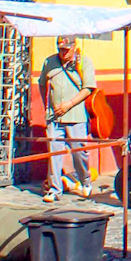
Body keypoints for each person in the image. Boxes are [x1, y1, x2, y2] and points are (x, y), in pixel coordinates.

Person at [38, 35, 96, 202]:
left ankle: (85, 180)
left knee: (79, 152)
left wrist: (69, 104)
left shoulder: (83, 62)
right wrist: (46, 105)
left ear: (73, 46)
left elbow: (88, 89)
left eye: (66, 49)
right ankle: (55, 189)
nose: (63, 52)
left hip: (75, 115)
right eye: (60, 49)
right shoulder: (50, 62)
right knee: (54, 152)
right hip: (54, 116)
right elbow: (42, 83)